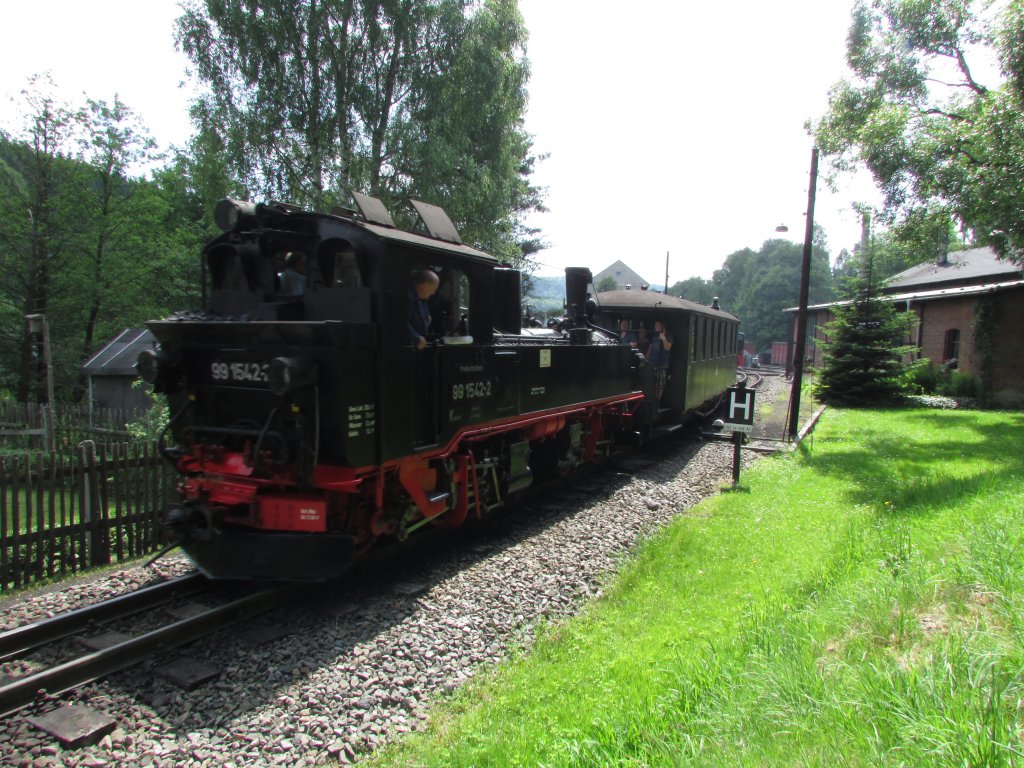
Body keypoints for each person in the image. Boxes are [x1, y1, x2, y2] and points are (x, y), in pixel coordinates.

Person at [408, 269, 439, 349]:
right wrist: (416, 338)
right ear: (425, 285)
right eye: (433, 289)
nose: (433, 293)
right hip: (409, 346)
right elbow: (400, 322)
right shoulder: (408, 297)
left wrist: (427, 318)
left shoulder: (422, 297)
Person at [647, 319, 674, 397]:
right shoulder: (654, 335)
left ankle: (657, 402)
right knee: (650, 384)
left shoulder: (669, 335)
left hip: (662, 364)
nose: (655, 327)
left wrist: (664, 338)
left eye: (657, 325)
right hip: (651, 363)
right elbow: (650, 348)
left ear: (662, 326)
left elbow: (668, 348)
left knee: (660, 385)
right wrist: (645, 360)